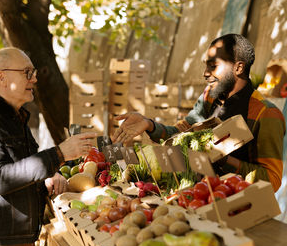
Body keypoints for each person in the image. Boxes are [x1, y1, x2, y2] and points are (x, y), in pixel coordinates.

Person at [0, 47, 96, 246]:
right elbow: (0, 178)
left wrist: (45, 177)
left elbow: (19, 169)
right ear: (1, 77)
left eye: (34, 72)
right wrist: (59, 154)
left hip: (20, 239)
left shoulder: (14, 116)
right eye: (27, 72)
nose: (34, 79)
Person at [112, 33, 285, 192]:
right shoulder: (210, 96)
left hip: (233, 205)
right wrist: (149, 125)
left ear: (239, 68)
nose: (205, 73)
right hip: (198, 196)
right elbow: (182, 132)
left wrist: (221, 158)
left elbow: (272, 180)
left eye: (213, 66)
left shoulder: (266, 113)